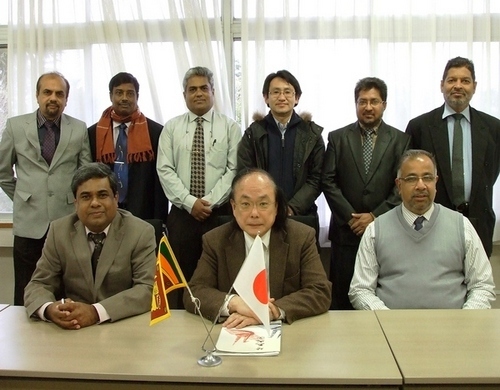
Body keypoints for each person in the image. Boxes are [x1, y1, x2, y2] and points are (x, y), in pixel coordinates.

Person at [183, 168, 331, 327]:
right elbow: (195, 292)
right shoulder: (215, 240)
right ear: (233, 207)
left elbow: (320, 291)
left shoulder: (301, 237)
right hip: (233, 331)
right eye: (245, 204)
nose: (254, 213)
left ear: (276, 207)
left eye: (263, 204)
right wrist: (234, 303)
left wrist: (271, 311)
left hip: (287, 333)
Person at [349, 149, 495, 310]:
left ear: (436, 182)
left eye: (427, 178)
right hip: (393, 330)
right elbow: (361, 289)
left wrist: (462, 322)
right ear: (399, 185)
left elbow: (482, 285)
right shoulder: (376, 230)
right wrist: (388, 321)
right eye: (411, 179)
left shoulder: (461, 225)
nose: (421, 186)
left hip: (452, 330)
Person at [24, 162, 156, 329]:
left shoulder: (140, 232)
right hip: (73, 328)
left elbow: (147, 289)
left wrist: (95, 312)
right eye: (86, 197)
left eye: (102, 195)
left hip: (123, 326)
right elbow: (38, 284)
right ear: (76, 202)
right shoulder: (59, 231)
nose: (95, 203)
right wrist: (50, 309)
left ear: (115, 199)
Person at [0, 71, 91, 306]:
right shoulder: (16, 126)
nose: (53, 98)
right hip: (29, 222)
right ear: (37, 96)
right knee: (25, 287)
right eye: (47, 92)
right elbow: (3, 171)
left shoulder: (79, 129)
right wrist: (22, 197)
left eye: (59, 94)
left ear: (66, 99)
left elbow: (86, 175)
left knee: (65, 287)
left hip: (66, 222)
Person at [321, 77, 410, 310]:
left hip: (385, 230)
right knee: (342, 297)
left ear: (384, 104)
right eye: (362, 102)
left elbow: (402, 184)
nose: (368, 107)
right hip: (345, 232)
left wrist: (374, 216)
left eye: (374, 101)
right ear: (355, 104)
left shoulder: (401, 140)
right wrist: (352, 217)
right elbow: (327, 181)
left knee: (382, 296)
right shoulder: (337, 138)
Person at [157, 66, 241, 300]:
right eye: (192, 89)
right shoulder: (171, 128)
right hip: (183, 215)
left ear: (213, 92)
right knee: (181, 278)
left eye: (204, 88)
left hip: (220, 213)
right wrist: (190, 202)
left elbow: (234, 170)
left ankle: (220, 321)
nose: (199, 93)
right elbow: (164, 169)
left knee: (221, 276)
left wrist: (209, 201)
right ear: (184, 95)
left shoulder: (230, 127)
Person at [405, 56, 500, 258]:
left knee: (477, 286)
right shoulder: (419, 127)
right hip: (431, 222)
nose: (458, 86)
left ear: (474, 86)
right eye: (451, 80)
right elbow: (408, 178)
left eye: (465, 81)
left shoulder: (493, 128)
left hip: (478, 223)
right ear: (442, 85)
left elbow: (490, 174)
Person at [237, 69, 324, 219]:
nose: (282, 97)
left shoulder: (311, 135)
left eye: (288, 92)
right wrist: (266, 206)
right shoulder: (253, 134)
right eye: (276, 92)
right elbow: (245, 174)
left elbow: (317, 178)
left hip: (302, 215)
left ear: (296, 98)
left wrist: (292, 208)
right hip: (261, 215)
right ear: (266, 97)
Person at [88, 72, 168, 224]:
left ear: (137, 96)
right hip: (103, 208)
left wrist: (159, 219)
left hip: (143, 210)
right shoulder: (94, 133)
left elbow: (160, 181)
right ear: (111, 96)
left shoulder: (155, 132)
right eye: (119, 93)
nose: (124, 98)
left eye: (130, 93)